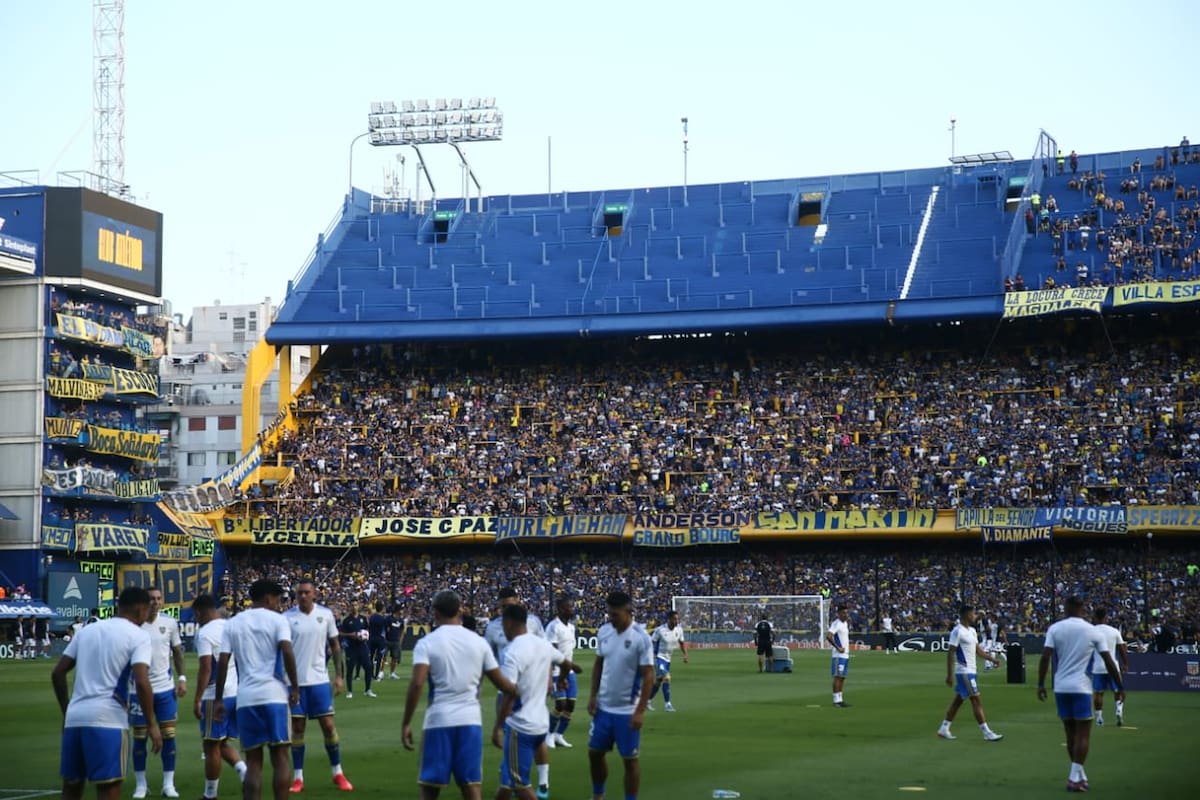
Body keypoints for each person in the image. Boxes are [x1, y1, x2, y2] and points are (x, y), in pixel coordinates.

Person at [401, 589, 516, 800]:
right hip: (470, 722)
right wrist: (524, 691)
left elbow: (417, 684)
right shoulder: (478, 642)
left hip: (438, 721)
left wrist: (406, 723)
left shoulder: (427, 643)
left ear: (435, 612)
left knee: (429, 788)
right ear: (460, 610)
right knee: (471, 787)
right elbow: (503, 684)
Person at [52, 586, 162, 800]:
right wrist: (151, 723)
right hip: (108, 720)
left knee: (72, 788)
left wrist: (67, 711)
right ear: (140, 609)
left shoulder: (86, 631)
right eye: (148, 609)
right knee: (108, 788)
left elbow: (58, 673)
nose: (149, 614)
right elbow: (141, 680)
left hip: (75, 719)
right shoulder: (138, 636)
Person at [216, 579, 301, 800]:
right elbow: (288, 652)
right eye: (277, 599)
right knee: (280, 757)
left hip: (246, 698)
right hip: (274, 695)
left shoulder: (233, 623)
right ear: (267, 598)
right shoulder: (278, 620)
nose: (279, 603)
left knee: (253, 762)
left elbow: (223, 661)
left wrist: (218, 699)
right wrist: (295, 687)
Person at [491, 603, 579, 800]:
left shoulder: (511, 652)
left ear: (509, 623)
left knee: (520, 784)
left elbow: (509, 692)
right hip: (541, 724)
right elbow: (565, 662)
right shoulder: (542, 645)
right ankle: (542, 784)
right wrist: (564, 677)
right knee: (507, 784)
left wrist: (497, 726)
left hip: (520, 726)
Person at [1038, 596, 1125, 793]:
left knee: (1070, 734)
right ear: (1082, 609)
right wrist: (1119, 686)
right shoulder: (1092, 631)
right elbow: (1110, 661)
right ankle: (1073, 778)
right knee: (1083, 734)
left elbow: (1045, 658)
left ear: (1066, 608)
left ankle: (1079, 775)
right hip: (1082, 687)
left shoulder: (1055, 628)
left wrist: (1041, 684)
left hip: (1061, 687)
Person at [284, 579, 352, 793]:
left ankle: (338, 773)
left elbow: (335, 645)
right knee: (297, 729)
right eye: (299, 593)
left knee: (329, 726)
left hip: (319, 680)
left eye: (306, 592)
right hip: (294, 684)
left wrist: (339, 676)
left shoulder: (326, 615)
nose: (302, 596)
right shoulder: (287, 618)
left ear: (314, 594)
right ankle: (298, 778)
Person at [587, 590, 654, 800]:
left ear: (628, 612)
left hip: (627, 710)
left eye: (615, 614)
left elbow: (649, 676)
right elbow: (598, 665)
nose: (611, 618)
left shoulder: (641, 638)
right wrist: (592, 695)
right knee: (594, 753)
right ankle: (599, 795)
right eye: (609, 614)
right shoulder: (604, 631)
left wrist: (640, 711)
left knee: (630, 760)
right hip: (604, 708)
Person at [483, 588, 550, 799]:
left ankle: (541, 782)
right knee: (510, 737)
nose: (506, 609)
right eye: (503, 606)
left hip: (531, 689)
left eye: (510, 605)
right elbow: (488, 658)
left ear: (518, 602)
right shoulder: (493, 628)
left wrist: (548, 678)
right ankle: (511, 779)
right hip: (507, 689)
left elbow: (545, 650)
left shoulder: (533, 622)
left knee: (536, 738)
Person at [132, 587, 187, 799]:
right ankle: (140, 785)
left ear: (162, 601)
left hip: (165, 688)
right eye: (151, 599)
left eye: (158, 598)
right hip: (137, 689)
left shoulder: (170, 623)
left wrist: (181, 678)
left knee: (169, 737)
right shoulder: (135, 625)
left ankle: (168, 784)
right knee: (139, 738)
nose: (155, 602)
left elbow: (178, 652)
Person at [193, 593, 248, 800]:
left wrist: (197, 698)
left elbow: (206, 668)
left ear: (199, 612)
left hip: (215, 695)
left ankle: (210, 795)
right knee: (222, 743)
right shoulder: (230, 626)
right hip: (235, 692)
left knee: (211, 745)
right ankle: (244, 771)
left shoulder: (205, 633)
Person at [936, 604, 1004, 741]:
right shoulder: (957, 631)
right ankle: (986, 732)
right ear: (967, 615)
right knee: (976, 699)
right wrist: (949, 675)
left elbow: (977, 650)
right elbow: (951, 653)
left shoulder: (972, 631)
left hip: (972, 671)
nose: (975, 616)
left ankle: (944, 728)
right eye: (973, 614)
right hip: (964, 672)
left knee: (958, 701)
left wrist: (992, 659)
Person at [543, 597, 582, 750]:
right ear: (559, 609)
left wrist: (570, 667)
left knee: (571, 705)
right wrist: (557, 673)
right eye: (568, 607)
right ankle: (549, 734)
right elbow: (552, 651)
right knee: (560, 704)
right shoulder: (553, 627)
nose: (571, 609)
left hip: (568, 671)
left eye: (572, 606)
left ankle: (559, 735)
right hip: (556, 671)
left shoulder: (571, 627)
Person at [1090, 607, 1129, 727]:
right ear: (1106, 618)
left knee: (1099, 693)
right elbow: (1122, 649)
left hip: (1098, 667)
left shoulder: (1091, 631)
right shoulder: (1114, 631)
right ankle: (1118, 710)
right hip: (1113, 666)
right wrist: (1125, 664)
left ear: (1095, 617)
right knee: (1117, 690)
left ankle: (1099, 718)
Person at [648, 610, 688, 711]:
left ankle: (646, 701)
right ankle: (668, 704)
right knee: (667, 677)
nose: (676, 621)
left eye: (677, 619)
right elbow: (651, 642)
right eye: (674, 619)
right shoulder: (660, 630)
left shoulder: (679, 630)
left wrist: (685, 655)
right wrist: (651, 655)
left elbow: (682, 642)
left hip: (668, 659)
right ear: (669, 619)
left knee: (658, 681)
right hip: (658, 658)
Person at [339, 602, 374, 699]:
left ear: (359, 606)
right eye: (352, 605)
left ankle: (368, 690)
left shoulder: (363, 619)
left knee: (368, 667)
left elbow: (367, 630)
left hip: (362, 647)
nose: (354, 607)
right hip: (351, 648)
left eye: (356, 605)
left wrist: (365, 635)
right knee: (350, 669)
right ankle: (350, 691)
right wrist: (351, 635)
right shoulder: (346, 620)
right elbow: (340, 633)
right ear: (350, 607)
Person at [825, 605, 852, 707]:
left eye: (847, 613)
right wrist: (837, 647)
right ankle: (836, 701)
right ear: (839, 613)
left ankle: (840, 699)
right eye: (844, 613)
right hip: (838, 655)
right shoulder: (836, 623)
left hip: (845, 655)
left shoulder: (844, 624)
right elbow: (829, 636)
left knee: (842, 677)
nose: (846, 615)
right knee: (837, 677)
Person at [368, 601, 390, 680]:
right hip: (380, 639)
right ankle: (377, 674)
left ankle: (370, 674)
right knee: (379, 658)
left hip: (371, 638)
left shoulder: (371, 617)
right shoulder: (383, 619)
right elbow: (386, 630)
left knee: (370, 657)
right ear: (382, 608)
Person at [385, 605, 407, 679]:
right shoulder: (389, 619)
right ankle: (380, 672)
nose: (402, 611)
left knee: (394, 658)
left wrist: (400, 640)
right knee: (383, 657)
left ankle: (392, 673)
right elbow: (385, 629)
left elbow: (402, 631)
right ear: (398, 610)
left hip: (396, 641)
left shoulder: (401, 620)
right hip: (387, 640)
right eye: (401, 610)